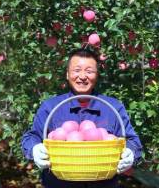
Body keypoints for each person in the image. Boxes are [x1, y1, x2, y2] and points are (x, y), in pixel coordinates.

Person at [21, 47, 143, 188]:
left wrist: (130, 152)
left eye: (89, 71)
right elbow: (31, 136)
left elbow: (133, 140)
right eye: (77, 70)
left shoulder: (113, 107)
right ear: (67, 74)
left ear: (96, 75)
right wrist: (35, 149)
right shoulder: (51, 107)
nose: (83, 76)